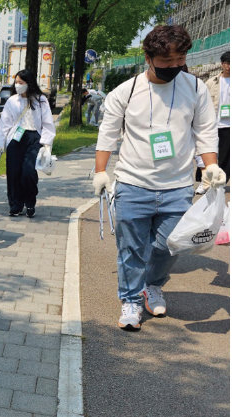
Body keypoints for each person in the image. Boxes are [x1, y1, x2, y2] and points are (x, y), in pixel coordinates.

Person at [93, 25, 226, 331]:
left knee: (171, 245)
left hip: (177, 186)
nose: (175, 66)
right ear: (148, 57)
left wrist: (210, 166)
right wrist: (101, 172)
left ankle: (151, 284)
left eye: (180, 59)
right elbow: (108, 133)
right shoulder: (126, 92)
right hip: (132, 183)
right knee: (131, 248)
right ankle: (130, 300)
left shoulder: (195, 88)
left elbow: (205, 131)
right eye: (167, 61)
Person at [0, 69, 56, 218]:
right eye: (16, 82)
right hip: (16, 138)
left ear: (29, 83)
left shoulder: (40, 100)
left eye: (21, 82)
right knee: (13, 173)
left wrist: (46, 143)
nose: (18, 85)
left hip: (33, 138)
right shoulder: (12, 101)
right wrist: (3, 141)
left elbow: (47, 122)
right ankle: (15, 205)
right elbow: (5, 122)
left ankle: (30, 202)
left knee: (28, 172)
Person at [204, 51, 230, 187]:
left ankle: (221, 181)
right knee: (214, 154)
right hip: (217, 123)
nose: (229, 66)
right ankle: (210, 180)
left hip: (228, 124)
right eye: (227, 63)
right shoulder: (212, 82)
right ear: (222, 64)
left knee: (226, 154)